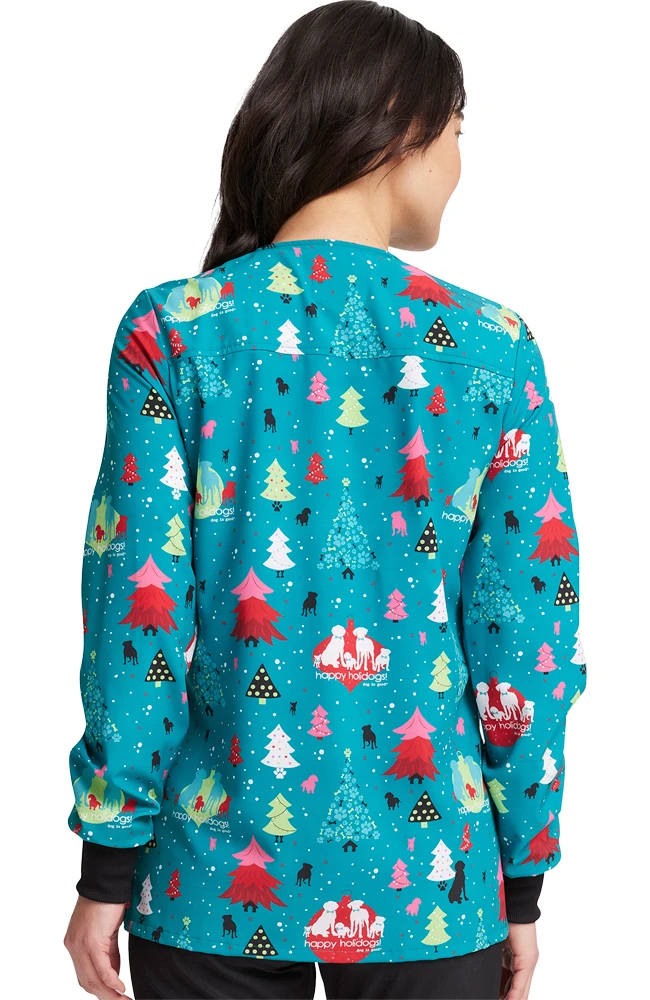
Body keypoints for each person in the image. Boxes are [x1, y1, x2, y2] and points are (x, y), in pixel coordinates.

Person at [63, 3, 587, 999]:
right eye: (458, 129)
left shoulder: (175, 330)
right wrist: (520, 874)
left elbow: (136, 616)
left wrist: (108, 861)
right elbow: (525, 638)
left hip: (207, 881)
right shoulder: (493, 346)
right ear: (400, 121)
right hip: (434, 887)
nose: (460, 162)